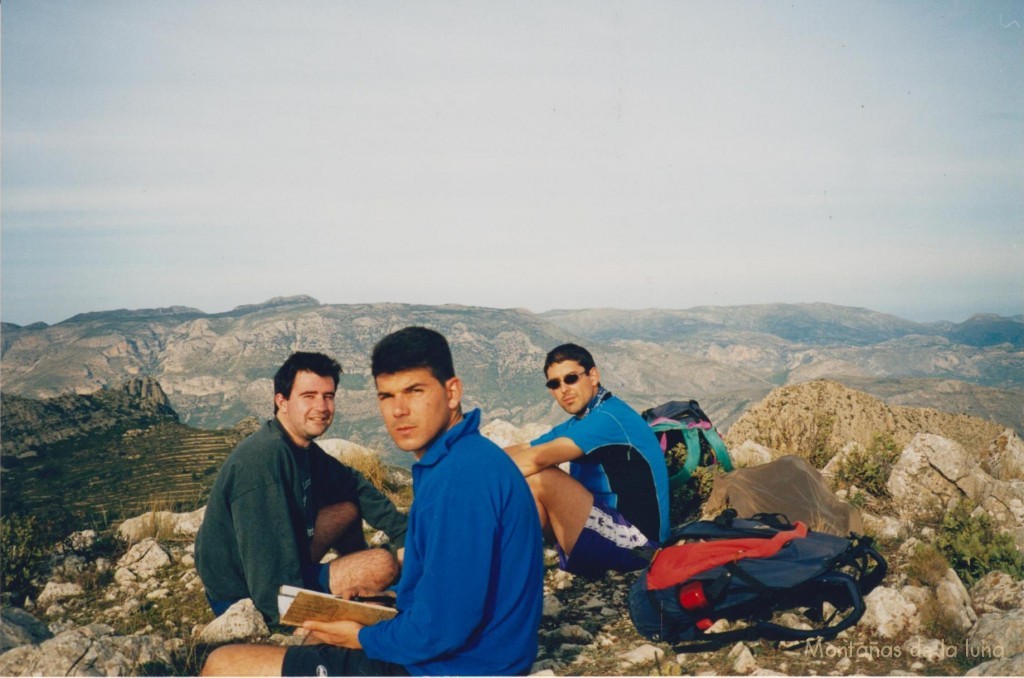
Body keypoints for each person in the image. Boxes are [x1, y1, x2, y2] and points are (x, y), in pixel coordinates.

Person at [201, 327, 544, 677]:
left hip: (451, 666)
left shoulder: (460, 479)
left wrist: (364, 636)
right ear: (281, 401)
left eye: (414, 391)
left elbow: (442, 628)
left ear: (452, 392)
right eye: (387, 396)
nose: (399, 410)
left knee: (224, 665)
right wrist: (387, 603)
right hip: (482, 656)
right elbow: (453, 597)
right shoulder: (464, 458)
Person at [195, 351, 407, 624]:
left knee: (346, 509)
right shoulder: (263, 462)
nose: (321, 406)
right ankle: (361, 589)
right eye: (309, 396)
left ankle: (357, 583)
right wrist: (283, 619)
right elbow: (266, 573)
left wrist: (405, 535)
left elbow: (352, 483)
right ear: (281, 401)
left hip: (279, 563)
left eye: (328, 396)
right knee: (383, 564)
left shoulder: (299, 447)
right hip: (244, 594)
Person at [505, 343, 670, 578]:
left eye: (571, 378)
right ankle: (514, 573)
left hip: (640, 546)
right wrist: (467, 462)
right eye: (554, 383)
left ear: (593, 376)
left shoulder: (609, 418)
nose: (564, 389)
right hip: (604, 529)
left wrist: (468, 481)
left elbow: (536, 458)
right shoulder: (584, 419)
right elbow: (525, 447)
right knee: (527, 485)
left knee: (540, 477)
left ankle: (511, 575)